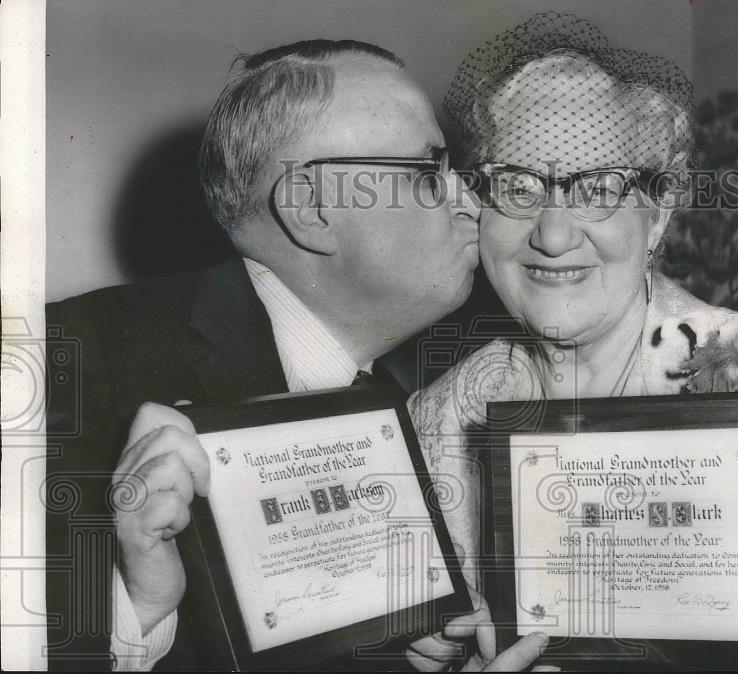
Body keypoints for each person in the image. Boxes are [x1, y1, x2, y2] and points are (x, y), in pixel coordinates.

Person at [409, 13, 738, 670]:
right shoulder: (438, 420)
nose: (554, 234)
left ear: (658, 212)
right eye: (517, 186)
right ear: (477, 207)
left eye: (598, 187)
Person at [45, 39, 547, 671]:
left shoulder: (391, 406)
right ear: (310, 209)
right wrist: (133, 611)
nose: (472, 202)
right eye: (427, 174)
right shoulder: (67, 358)